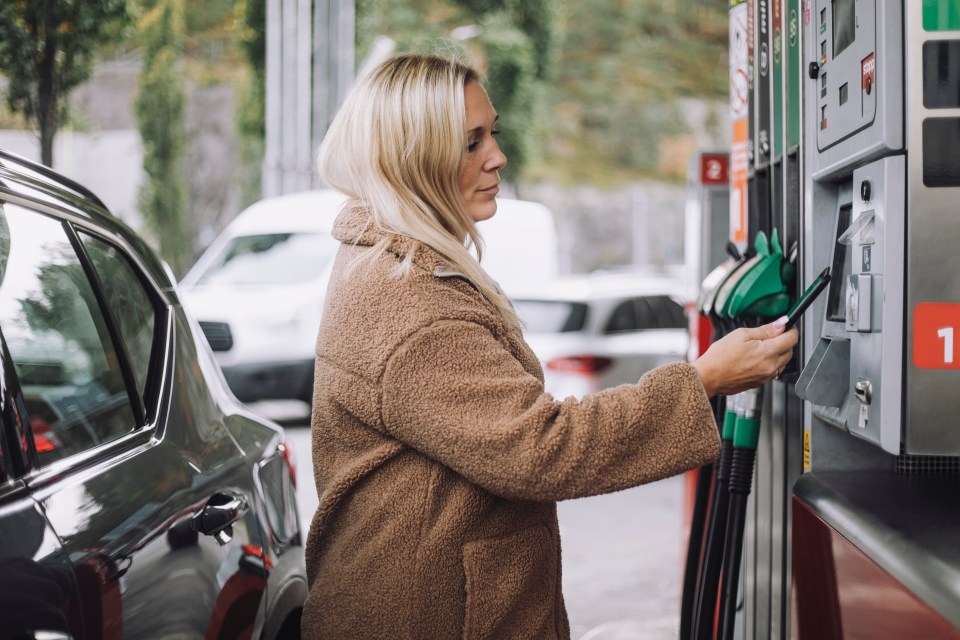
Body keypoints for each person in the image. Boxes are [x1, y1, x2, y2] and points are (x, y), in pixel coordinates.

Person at [302, 53, 798, 640]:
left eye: (493, 133)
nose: (497, 156)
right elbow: (542, 449)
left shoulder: (385, 262)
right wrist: (704, 380)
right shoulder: (410, 304)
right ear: (414, 158)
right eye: (470, 142)